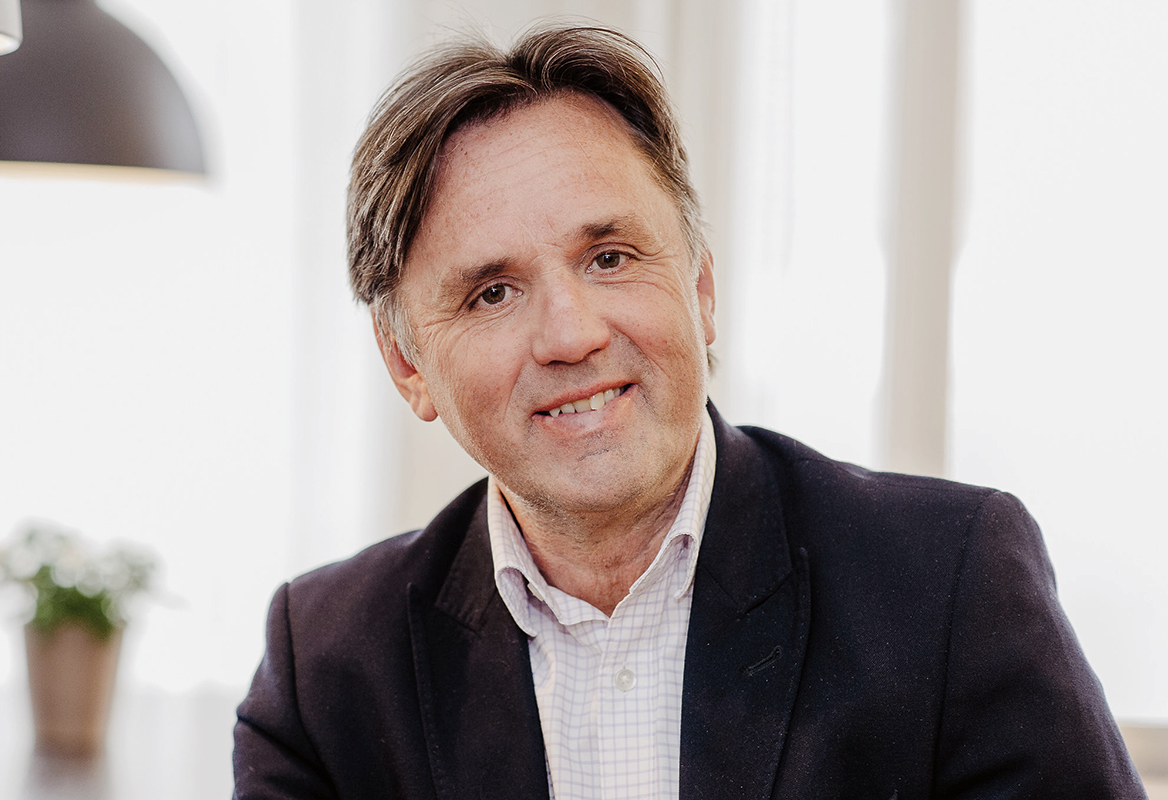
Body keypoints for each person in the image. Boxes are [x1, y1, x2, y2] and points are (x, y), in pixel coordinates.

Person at [233, 24, 1145, 800]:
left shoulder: (950, 582)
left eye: (610, 258)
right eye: (493, 292)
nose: (571, 335)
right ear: (407, 366)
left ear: (702, 291)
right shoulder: (324, 673)